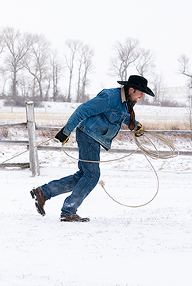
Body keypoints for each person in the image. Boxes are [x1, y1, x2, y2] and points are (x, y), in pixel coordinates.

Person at [31, 75, 155, 222]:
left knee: (83, 176)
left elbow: (121, 116)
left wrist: (135, 125)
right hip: (88, 136)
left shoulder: (125, 102)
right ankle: (68, 211)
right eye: (140, 92)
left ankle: (44, 192)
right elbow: (83, 110)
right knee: (92, 176)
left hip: (93, 138)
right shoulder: (110, 97)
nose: (142, 96)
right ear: (131, 89)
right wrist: (66, 131)